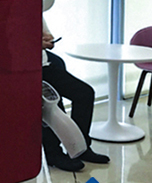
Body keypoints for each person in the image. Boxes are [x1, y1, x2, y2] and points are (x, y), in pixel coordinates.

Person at [42, 19, 109, 172]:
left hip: (45, 65)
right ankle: (53, 153)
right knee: (51, 105)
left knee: (84, 93)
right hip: (23, 68)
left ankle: (81, 148)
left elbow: (48, 38)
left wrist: (48, 40)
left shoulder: (35, 10)